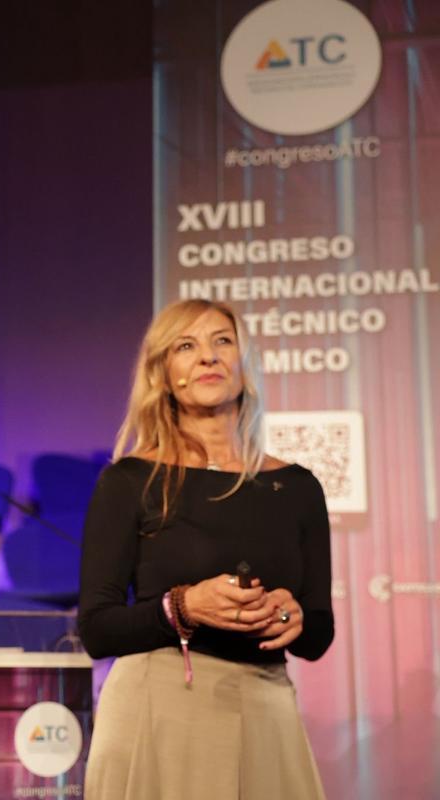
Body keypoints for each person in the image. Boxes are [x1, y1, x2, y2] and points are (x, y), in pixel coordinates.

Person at [77, 298, 334, 799]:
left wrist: (291, 616)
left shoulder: (298, 487)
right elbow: (97, 628)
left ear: (244, 363)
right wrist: (184, 606)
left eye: (223, 341)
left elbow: (318, 633)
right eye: (186, 346)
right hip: (159, 706)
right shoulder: (129, 480)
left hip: (265, 704)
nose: (208, 357)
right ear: (163, 373)